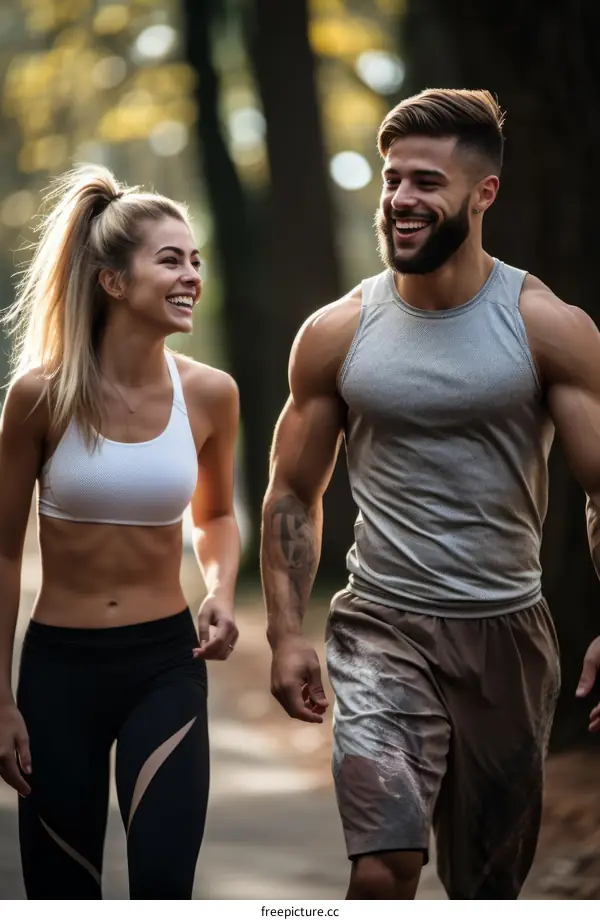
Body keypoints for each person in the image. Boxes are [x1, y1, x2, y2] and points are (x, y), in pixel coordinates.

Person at [260, 88, 600, 900]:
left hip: (507, 635)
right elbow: (289, 494)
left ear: (483, 194)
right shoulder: (339, 332)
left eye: (424, 182)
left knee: (487, 887)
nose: (400, 201)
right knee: (383, 866)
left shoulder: (546, 326)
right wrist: (283, 634)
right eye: (390, 180)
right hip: (381, 625)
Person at [0, 165, 240, 899]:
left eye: (195, 259)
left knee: (164, 884)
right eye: (170, 259)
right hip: (57, 676)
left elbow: (218, 516)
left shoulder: (209, 393)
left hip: (163, 666)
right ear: (111, 281)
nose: (191, 275)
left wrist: (224, 588)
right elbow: (4, 551)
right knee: (61, 893)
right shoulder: (39, 396)